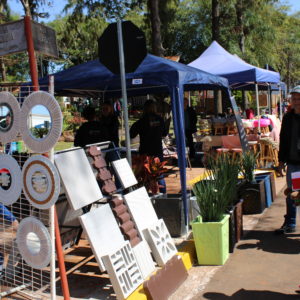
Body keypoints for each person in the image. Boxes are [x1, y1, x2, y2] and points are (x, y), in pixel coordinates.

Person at [275, 85, 300, 234]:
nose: (297, 101)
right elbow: (283, 139)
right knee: (292, 194)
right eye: (294, 98)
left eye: (299, 98)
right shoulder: (288, 117)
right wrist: (281, 161)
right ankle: (290, 223)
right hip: (293, 163)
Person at [130, 100, 168, 192]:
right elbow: (165, 133)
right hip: (157, 152)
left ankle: (146, 196)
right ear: (154, 108)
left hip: (145, 153)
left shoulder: (141, 121)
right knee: (159, 175)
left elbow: (131, 134)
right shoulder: (160, 119)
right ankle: (164, 195)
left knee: (144, 177)